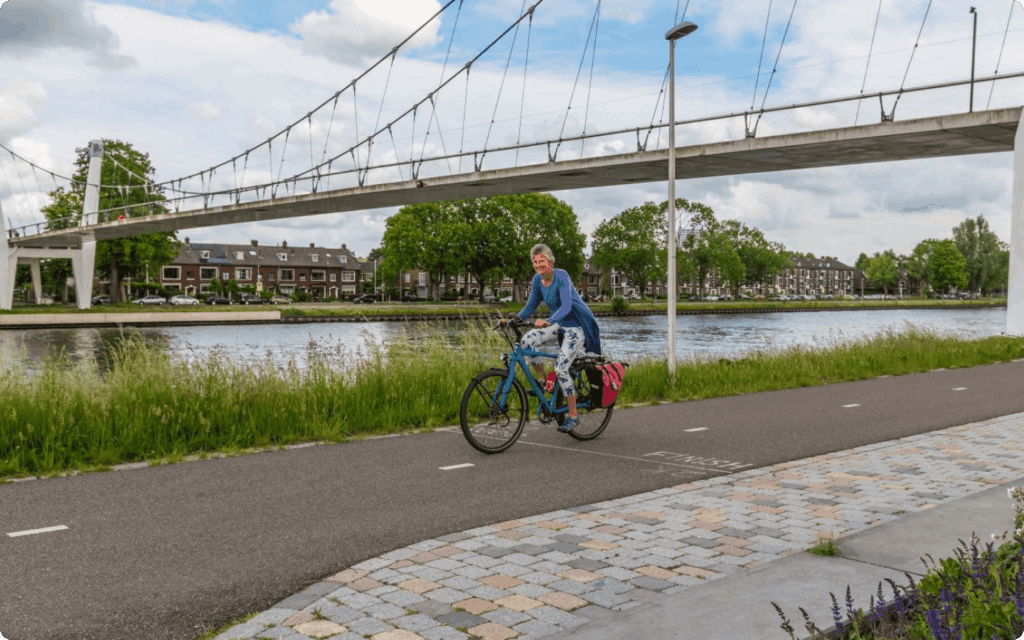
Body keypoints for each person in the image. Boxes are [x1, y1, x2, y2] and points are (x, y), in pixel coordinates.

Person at [509, 243, 601, 433]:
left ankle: (573, 415)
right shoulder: (537, 280)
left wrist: (549, 320)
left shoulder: (562, 276)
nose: (538, 265)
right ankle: (543, 382)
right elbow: (531, 306)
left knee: (560, 369)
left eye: (541, 261)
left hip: (576, 327)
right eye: (535, 262)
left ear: (550, 261)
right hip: (559, 325)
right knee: (527, 340)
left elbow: (567, 305)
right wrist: (515, 319)